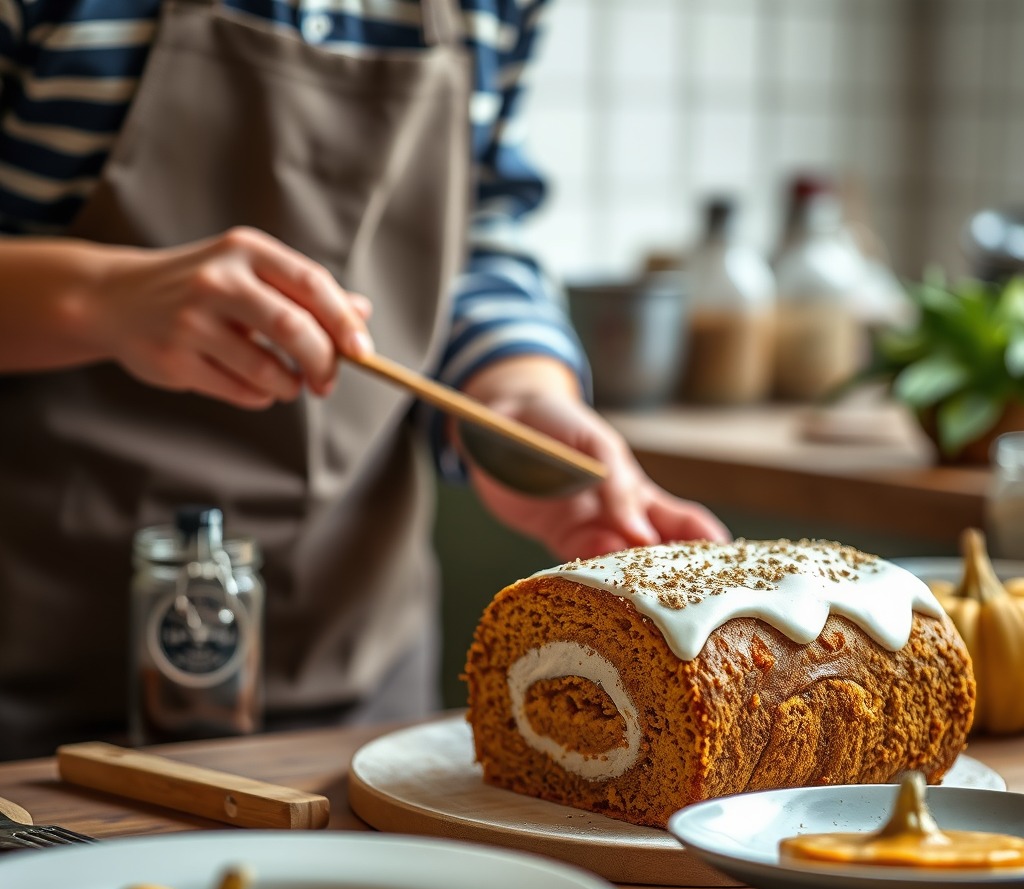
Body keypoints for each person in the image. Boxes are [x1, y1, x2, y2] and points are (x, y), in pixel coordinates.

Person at [0, 0, 727, 759]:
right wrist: (99, 300)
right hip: (33, 706)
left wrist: (519, 401)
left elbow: (475, 243)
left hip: (361, 699)